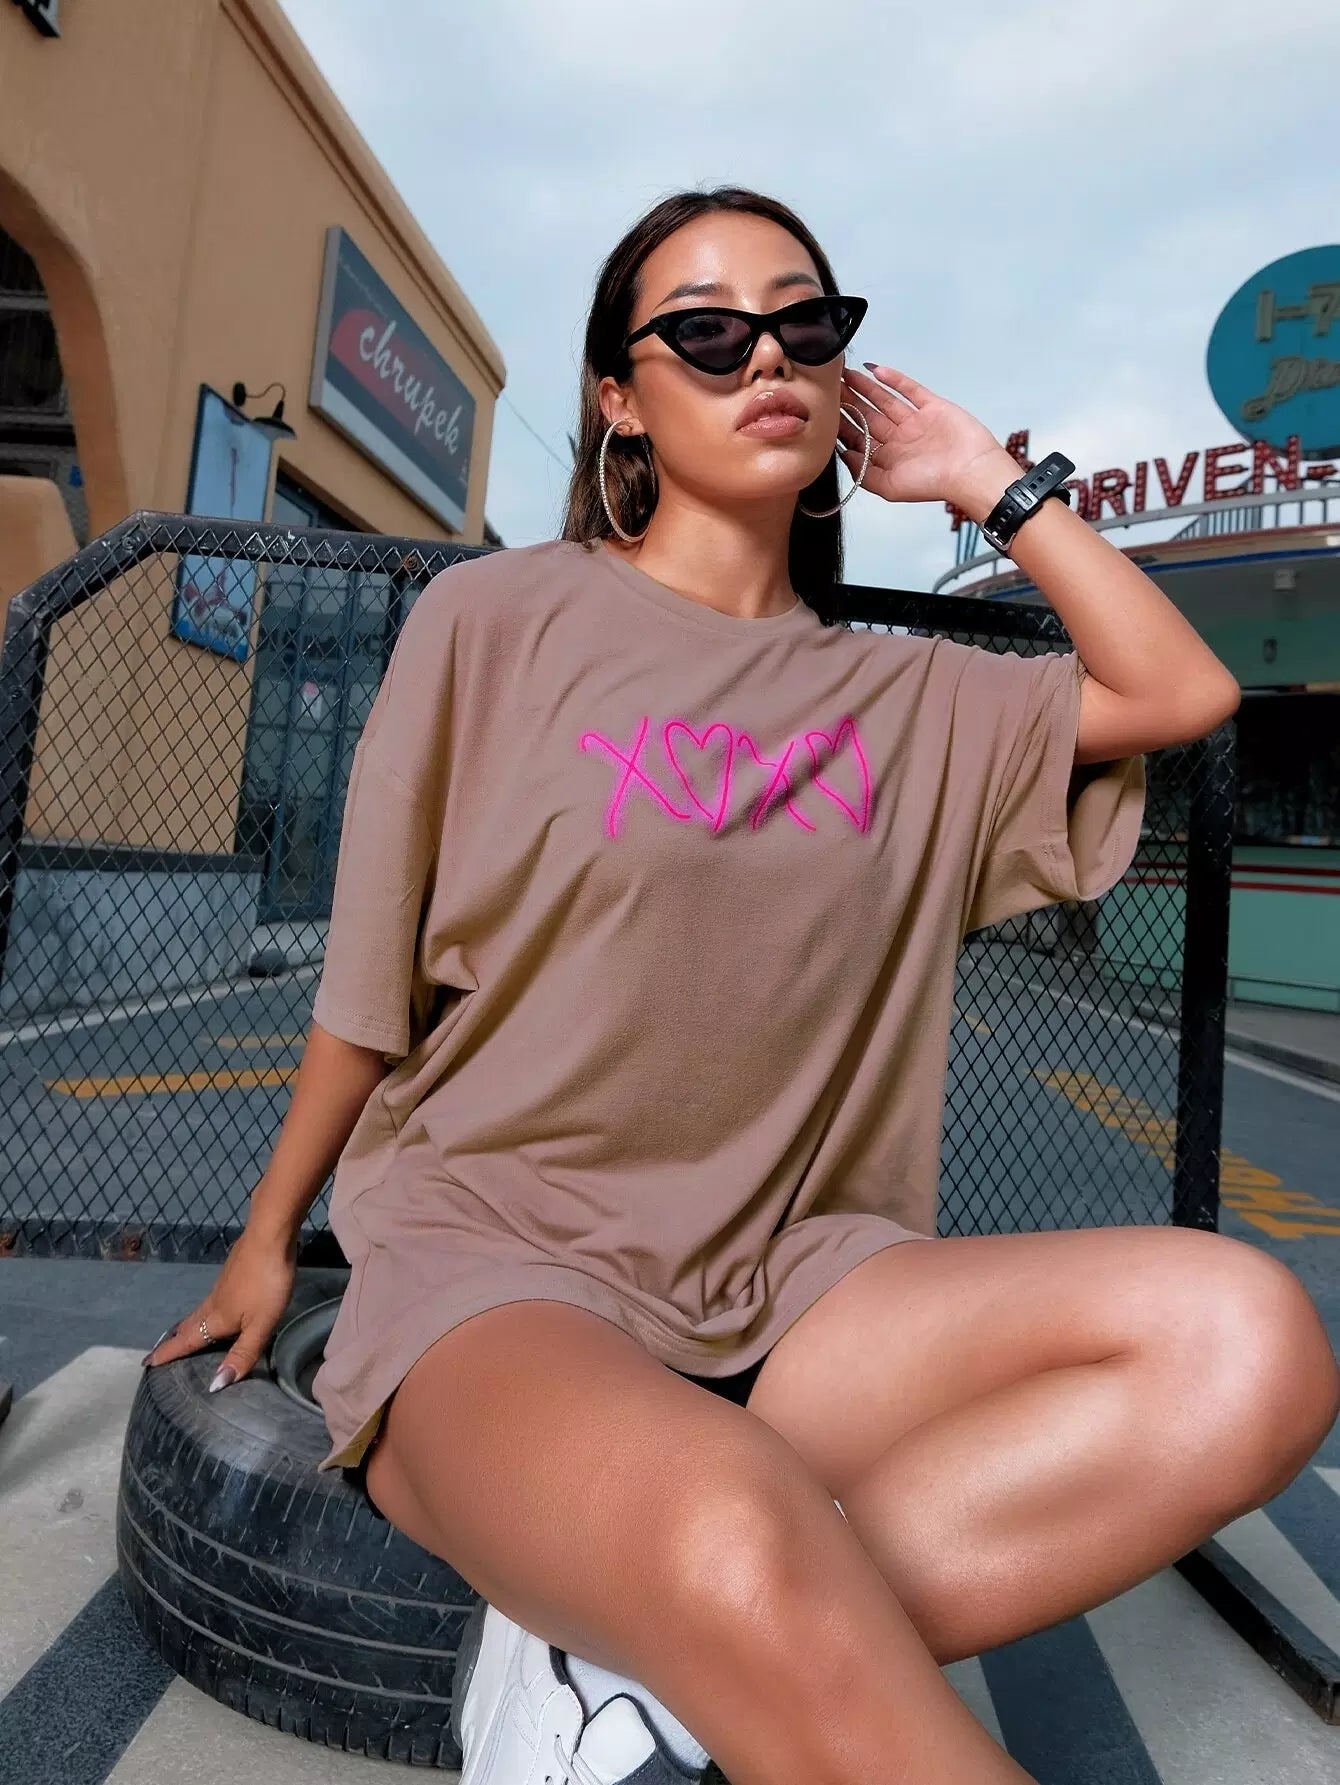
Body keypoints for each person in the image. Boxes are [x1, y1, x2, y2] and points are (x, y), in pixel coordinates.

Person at [142, 185, 1340, 1785]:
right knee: (730, 1524)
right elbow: (367, 983)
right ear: (621, 399)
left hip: (801, 1284)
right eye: (707, 332)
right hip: (504, 1261)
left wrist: (987, 480)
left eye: (805, 323)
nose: (766, 355)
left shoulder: (914, 699)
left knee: (1249, 1340)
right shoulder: (496, 618)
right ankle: (703, 1603)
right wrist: (264, 1237)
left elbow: (1181, 688)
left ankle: (643, 1652)